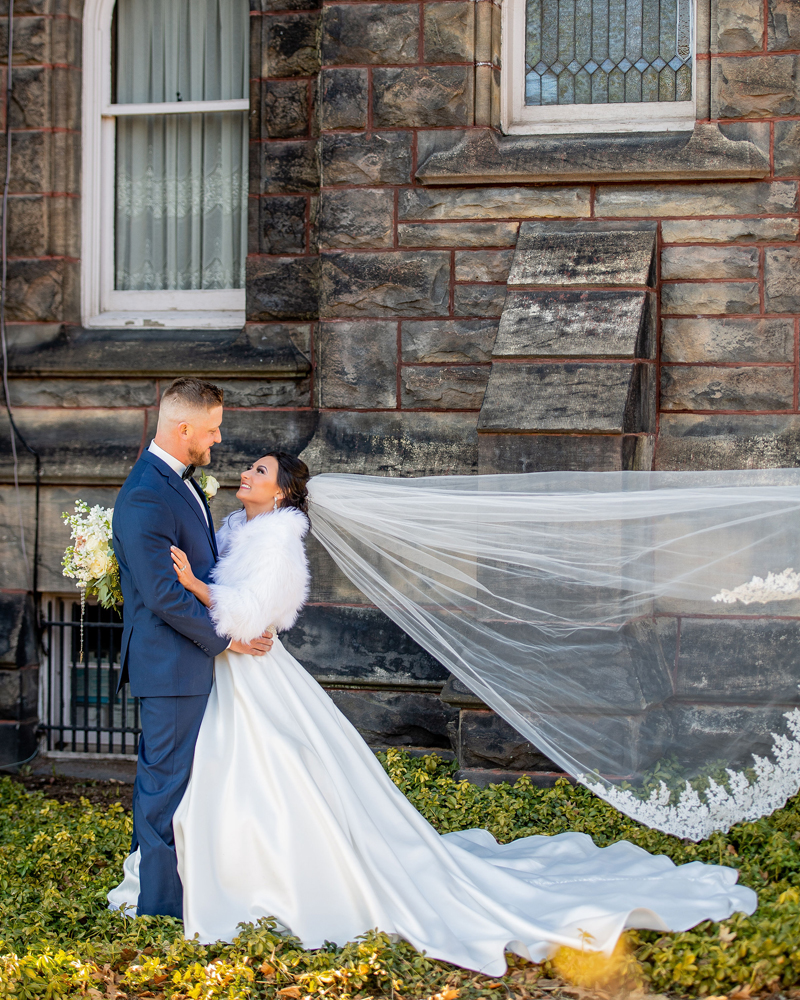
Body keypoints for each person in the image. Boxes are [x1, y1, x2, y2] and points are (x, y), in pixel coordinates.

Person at [109, 449, 757, 976]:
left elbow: (254, 615)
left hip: (254, 677)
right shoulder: (236, 528)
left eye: (259, 472)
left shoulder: (278, 545)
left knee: (275, 781)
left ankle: (267, 881)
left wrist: (195, 587)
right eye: (250, 467)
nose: (246, 473)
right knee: (224, 779)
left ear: (278, 495)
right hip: (229, 673)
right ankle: (202, 875)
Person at [112, 377, 273, 919]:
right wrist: (228, 638)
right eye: (212, 428)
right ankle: (157, 904)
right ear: (184, 428)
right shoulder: (145, 494)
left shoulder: (180, 482)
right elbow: (161, 595)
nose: (219, 439)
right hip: (171, 665)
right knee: (164, 784)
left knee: (186, 780)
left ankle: (177, 884)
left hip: (186, 661)